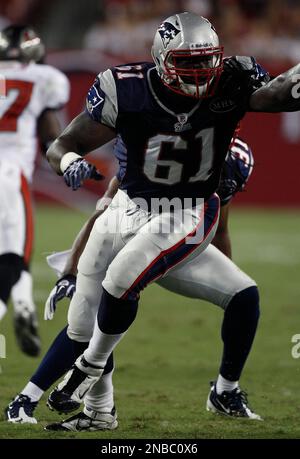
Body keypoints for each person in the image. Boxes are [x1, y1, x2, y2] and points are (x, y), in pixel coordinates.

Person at [42, 10, 300, 428]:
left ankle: (89, 370)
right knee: (100, 291)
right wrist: (70, 160)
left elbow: (276, 95)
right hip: (131, 206)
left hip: (185, 209)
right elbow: (64, 142)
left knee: (127, 279)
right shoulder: (126, 89)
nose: (200, 72)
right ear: (162, 60)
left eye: (207, 60)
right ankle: (92, 401)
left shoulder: (232, 80)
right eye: (189, 62)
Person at [5, 135, 255, 428]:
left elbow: (219, 229)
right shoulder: (155, 157)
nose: (220, 187)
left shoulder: (214, 185)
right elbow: (102, 215)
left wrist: (222, 275)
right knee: (88, 316)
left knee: (244, 294)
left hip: (179, 239)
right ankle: (35, 398)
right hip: (130, 235)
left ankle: (225, 391)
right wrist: (71, 271)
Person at [0, 25, 70, 356]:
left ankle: (25, 304)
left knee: (9, 259)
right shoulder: (43, 78)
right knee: (13, 259)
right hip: (8, 176)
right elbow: (50, 137)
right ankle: (20, 306)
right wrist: (67, 162)